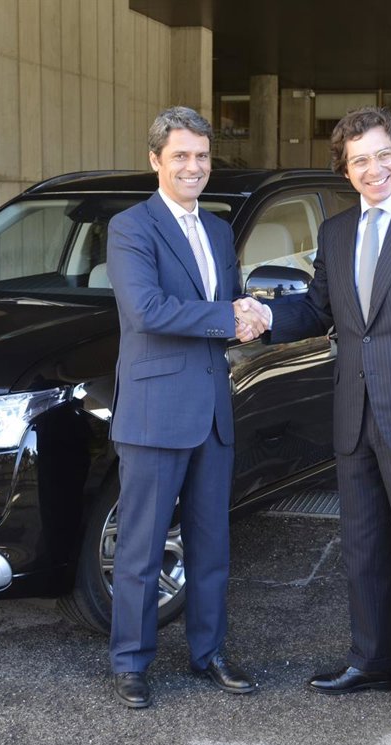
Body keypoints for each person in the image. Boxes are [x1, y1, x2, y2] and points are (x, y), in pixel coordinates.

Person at [236, 106, 391, 730]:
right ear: (345, 170)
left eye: (382, 155)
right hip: (353, 412)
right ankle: (373, 660)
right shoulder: (337, 232)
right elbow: (317, 310)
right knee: (363, 546)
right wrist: (264, 318)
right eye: (359, 161)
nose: (373, 169)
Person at [104, 106, 263, 709]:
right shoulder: (131, 227)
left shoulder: (219, 230)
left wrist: (250, 314)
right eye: (180, 156)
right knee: (141, 549)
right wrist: (229, 316)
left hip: (212, 409)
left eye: (201, 155)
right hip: (154, 410)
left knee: (211, 544)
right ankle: (130, 662)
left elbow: (226, 304)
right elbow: (146, 309)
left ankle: (209, 652)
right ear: (156, 160)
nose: (193, 166)